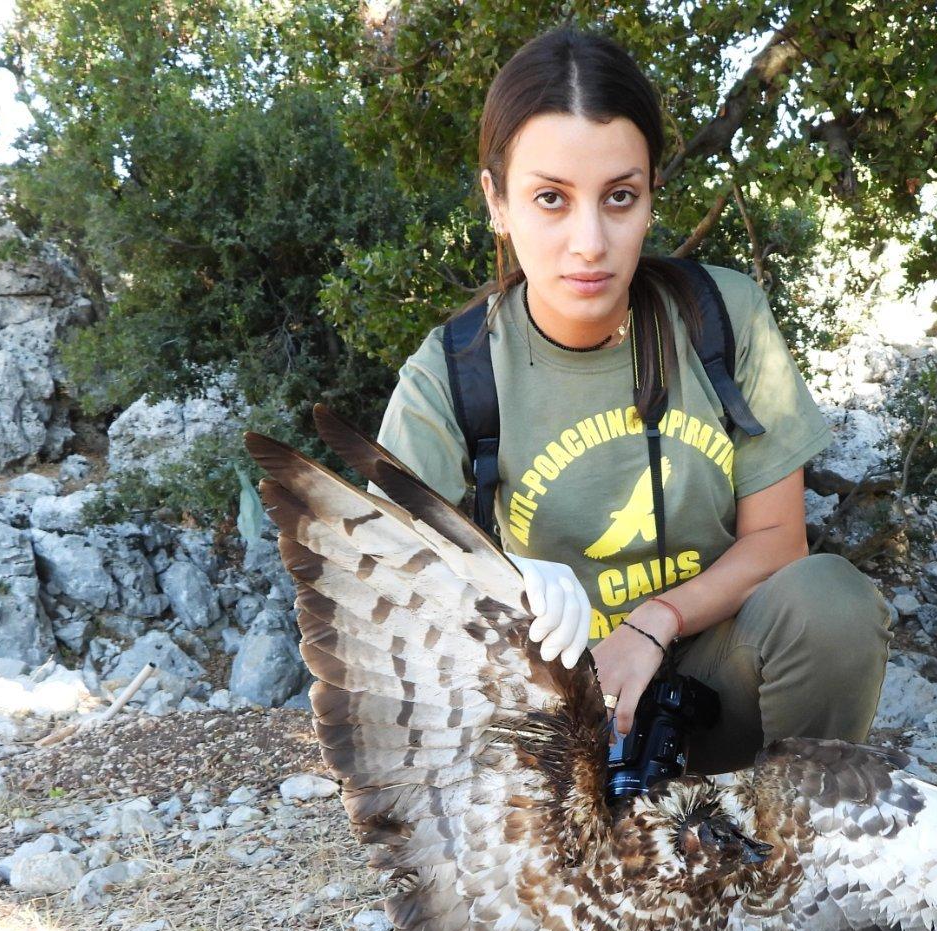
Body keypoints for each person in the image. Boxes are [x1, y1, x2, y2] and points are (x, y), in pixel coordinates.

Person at [375, 25, 892, 775]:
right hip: (546, 723)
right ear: (497, 202)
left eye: (620, 197)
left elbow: (779, 542)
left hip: (710, 685)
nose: (589, 241)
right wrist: (505, 579)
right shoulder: (448, 375)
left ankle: (795, 848)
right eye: (550, 199)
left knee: (833, 607)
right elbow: (384, 588)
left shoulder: (724, 316)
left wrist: (656, 622)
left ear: (651, 197)